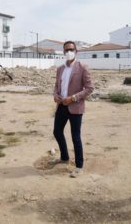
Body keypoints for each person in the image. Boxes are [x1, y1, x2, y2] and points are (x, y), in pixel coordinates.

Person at [52, 41, 94, 178]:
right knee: (57, 132)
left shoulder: (82, 67)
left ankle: (79, 166)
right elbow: (56, 86)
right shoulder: (60, 69)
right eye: (66, 50)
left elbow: (89, 88)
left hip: (75, 107)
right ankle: (64, 157)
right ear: (63, 52)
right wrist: (55, 95)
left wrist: (74, 98)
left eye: (71, 49)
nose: (69, 52)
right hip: (61, 106)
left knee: (75, 136)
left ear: (76, 51)